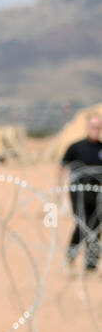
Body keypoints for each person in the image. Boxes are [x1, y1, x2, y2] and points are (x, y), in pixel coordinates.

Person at [61, 114, 102, 272]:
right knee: (81, 225)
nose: (95, 130)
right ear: (87, 128)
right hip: (79, 192)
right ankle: (71, 256)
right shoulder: (76, 147)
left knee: (96, 227)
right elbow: (61, 167)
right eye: (93, 127)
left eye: (98, 127)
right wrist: (59, 193)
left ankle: (91, 265)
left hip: (98, 193)